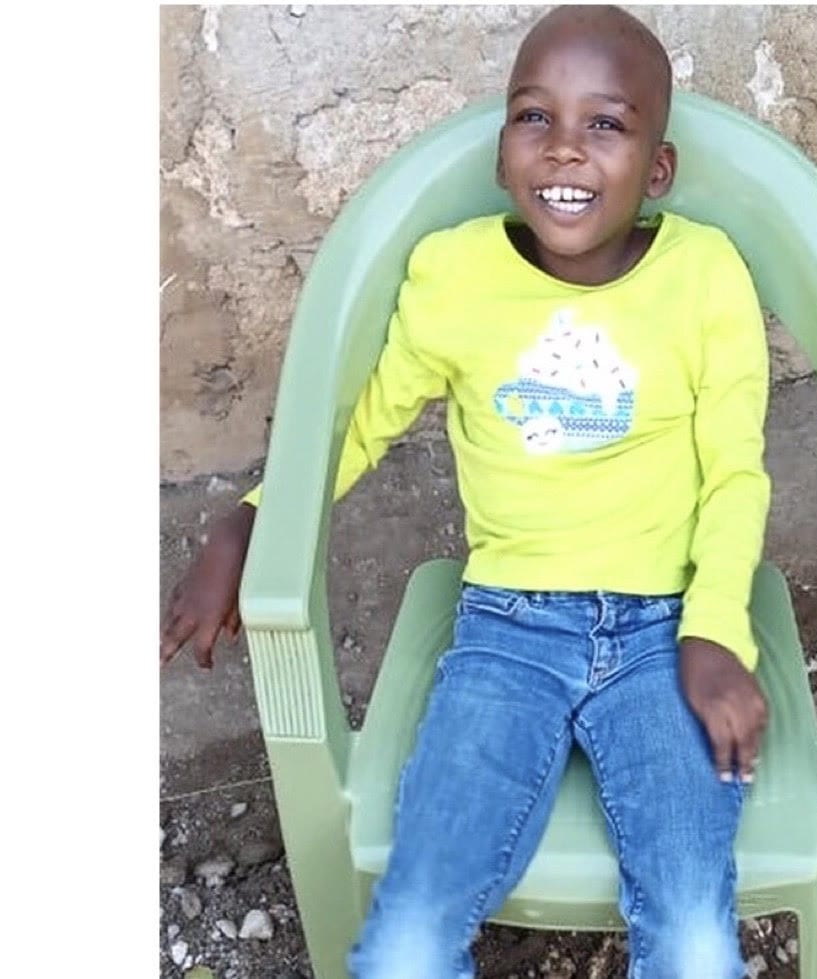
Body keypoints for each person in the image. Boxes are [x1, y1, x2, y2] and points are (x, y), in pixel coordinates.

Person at [161, 6, 772, 977]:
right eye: (536, 117)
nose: (566, 148)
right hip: (508, 632)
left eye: (605, 124)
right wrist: (250, 521)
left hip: (666, 632)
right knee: (408, 933)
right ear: (501, 153)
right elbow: (362, 422)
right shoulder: (453, 277)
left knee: (696, 937)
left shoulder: (705, 277)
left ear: (658, 168)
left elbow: (738, 471)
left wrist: (713, 630)